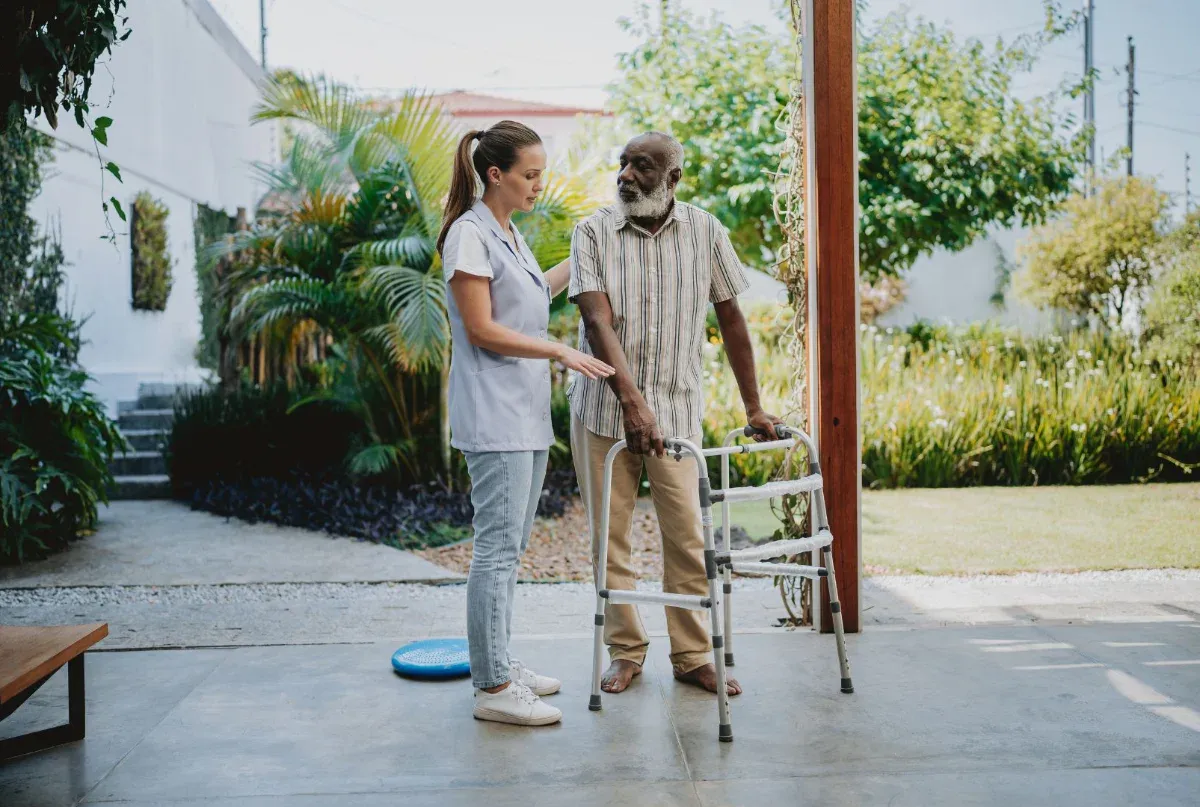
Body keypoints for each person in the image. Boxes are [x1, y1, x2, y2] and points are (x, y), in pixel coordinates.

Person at [568, 131, 783, 697]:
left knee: (688, 536)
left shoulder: (706, 230)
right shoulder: (591, 232)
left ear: (673, 178)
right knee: (608, 538)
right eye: (622, 164)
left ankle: (691, 656)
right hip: (602, 412)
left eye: (641, 166)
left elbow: (731, 317)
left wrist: (754, 405)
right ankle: (625, 651)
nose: (625, 176)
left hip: (678, 411)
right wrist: (632, 404)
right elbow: (596, 321)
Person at [437, 121, 615, 726]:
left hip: (523, 413)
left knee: (510, 549)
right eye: (530, 175)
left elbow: (538, 290)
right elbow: (482, 329)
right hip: (495, 416)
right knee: (495, 550)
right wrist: (561, 351)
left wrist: (588, 251)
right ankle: (491, 686)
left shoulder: (508, 233)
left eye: (541, 174)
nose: (539, 185)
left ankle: (501, 662)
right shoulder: (469, 235)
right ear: (496, 175)